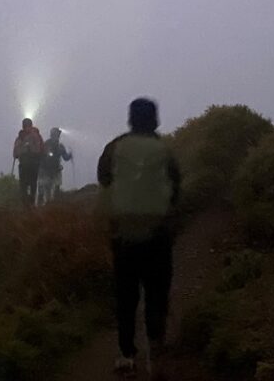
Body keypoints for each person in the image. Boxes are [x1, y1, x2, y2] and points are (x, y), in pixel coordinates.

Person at [97, 98, 181, 376]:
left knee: (125, 295)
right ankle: (156, 343)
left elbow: (104, 178)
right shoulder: (164, 149)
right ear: (155, 120)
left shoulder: (115, 148)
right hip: (157, 235)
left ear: (130, 120)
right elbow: (176, 187)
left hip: (123, 235)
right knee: (157, 291)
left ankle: (125, 352)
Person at [13, 117, 44, 208]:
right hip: (31, 164)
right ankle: (29, 204)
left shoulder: (20, 137)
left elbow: (15, 154)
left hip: (27, 164)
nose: (26, 127)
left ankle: (27, 205)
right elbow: (40, 150)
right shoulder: (35, 136)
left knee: (26, 185)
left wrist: (22, 151)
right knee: (30, 184)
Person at [37, 127, 72, 205]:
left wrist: (70, 155)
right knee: (44, 189)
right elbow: (65, 157)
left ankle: (52, 205)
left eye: (57, 134)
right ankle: (43, 206)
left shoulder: (58, 146)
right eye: (56, 134)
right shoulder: (48, 145)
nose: (57, 136)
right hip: (46, 170)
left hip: (53, 170)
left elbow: (65, 157)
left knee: (55, 188)